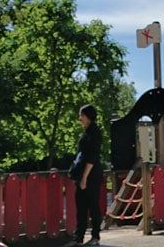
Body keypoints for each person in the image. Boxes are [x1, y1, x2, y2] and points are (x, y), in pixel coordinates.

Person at [69, 104, 103, 246]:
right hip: (82, 174)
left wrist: (84, 177)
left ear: (88, 116)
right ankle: (78, 238)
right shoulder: (86, 132)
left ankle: (95, 237)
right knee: (81, 207)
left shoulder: (95, 132)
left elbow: (92, 157)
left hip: (91, 175)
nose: (80, 118)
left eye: (81, 115)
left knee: (93, 206)